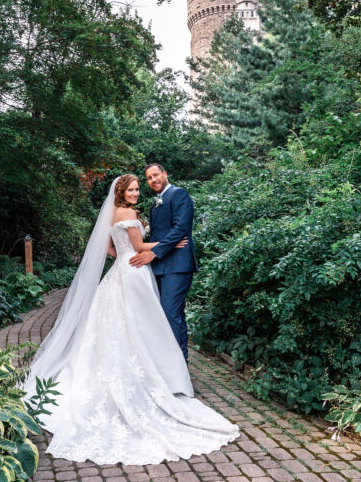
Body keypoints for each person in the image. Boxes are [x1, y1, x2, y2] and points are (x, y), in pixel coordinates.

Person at [23, 174, 239, 465]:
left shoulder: (114, 213)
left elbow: (110, 248)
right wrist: (166, 245)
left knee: (122, 327)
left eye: (139, 188)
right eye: (133, 189)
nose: (137, 192)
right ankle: (159, 376)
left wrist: (123, 253)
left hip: (121, 271)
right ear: (121, 192)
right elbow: (138, 248)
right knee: (143, 325)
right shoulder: (127, 212)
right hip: (134, 273)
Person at [129, 163, 196, 361]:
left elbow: (180, 228)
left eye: (156, 175)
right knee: (165, 316)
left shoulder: (178, 194)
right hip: (160, 267)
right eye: (149, 178)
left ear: (165, 174)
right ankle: (171, 366)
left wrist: (154, 253)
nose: (153, 180)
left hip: (177, 265)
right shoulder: (157, 202)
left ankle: (179, 367)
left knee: (171, 314)